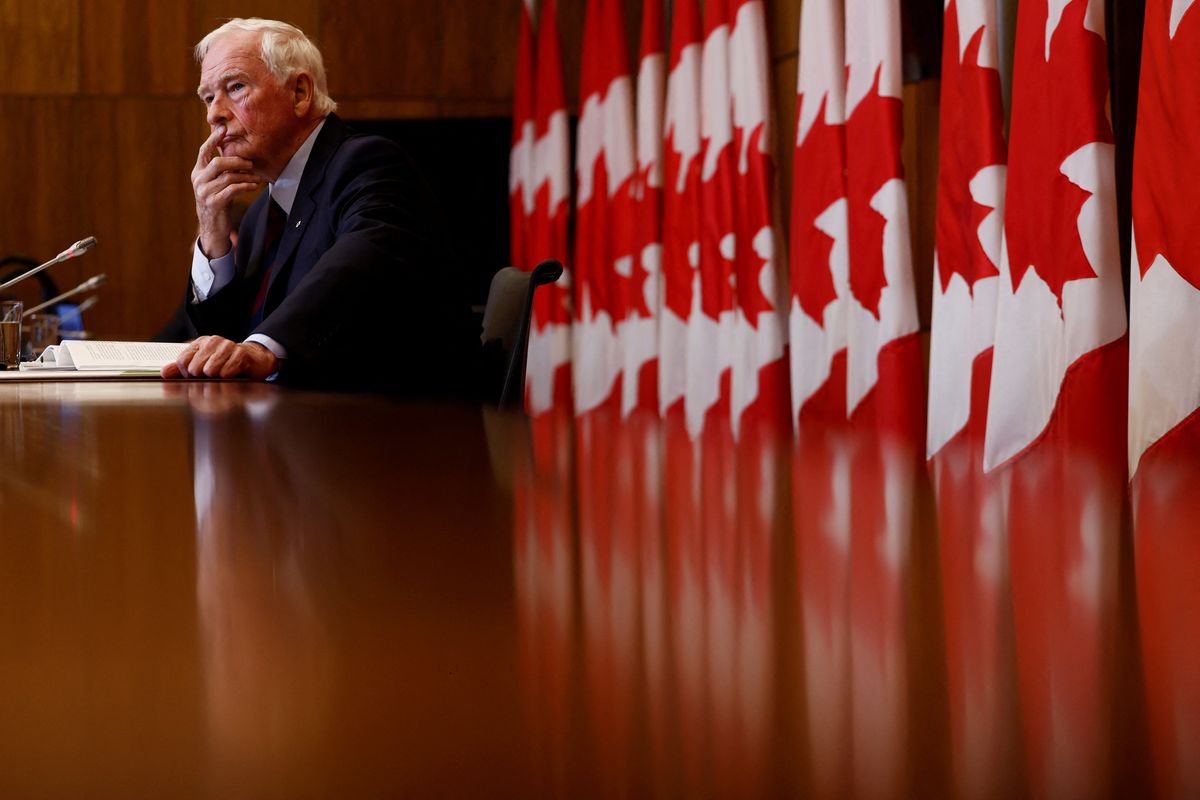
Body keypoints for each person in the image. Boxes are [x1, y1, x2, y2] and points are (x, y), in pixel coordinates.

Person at [164, 18, 476, 399]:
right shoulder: (262, 213)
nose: (215, 114)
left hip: (401, 430)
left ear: (299, 92)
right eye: (209, 98)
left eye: (236, 87)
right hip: (297, 429)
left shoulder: (366, 163)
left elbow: (356, 268)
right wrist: (212, 230)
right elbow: (221, 344)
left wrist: (263, 348)